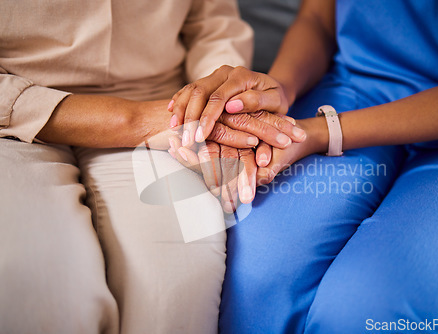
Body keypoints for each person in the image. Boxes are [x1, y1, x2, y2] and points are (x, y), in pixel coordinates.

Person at [169, 0, 438, 332]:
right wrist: (278, 91)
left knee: (368, 307)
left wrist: (323, 132)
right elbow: (318, 18)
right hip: (355, 88)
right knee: (257, 267)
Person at [0, 1, 309, 333]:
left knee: (178, 277)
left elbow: (212, 24)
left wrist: (219, 101)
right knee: (42, 285)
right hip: (16, 114)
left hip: (166, 102)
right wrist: (136, 122)